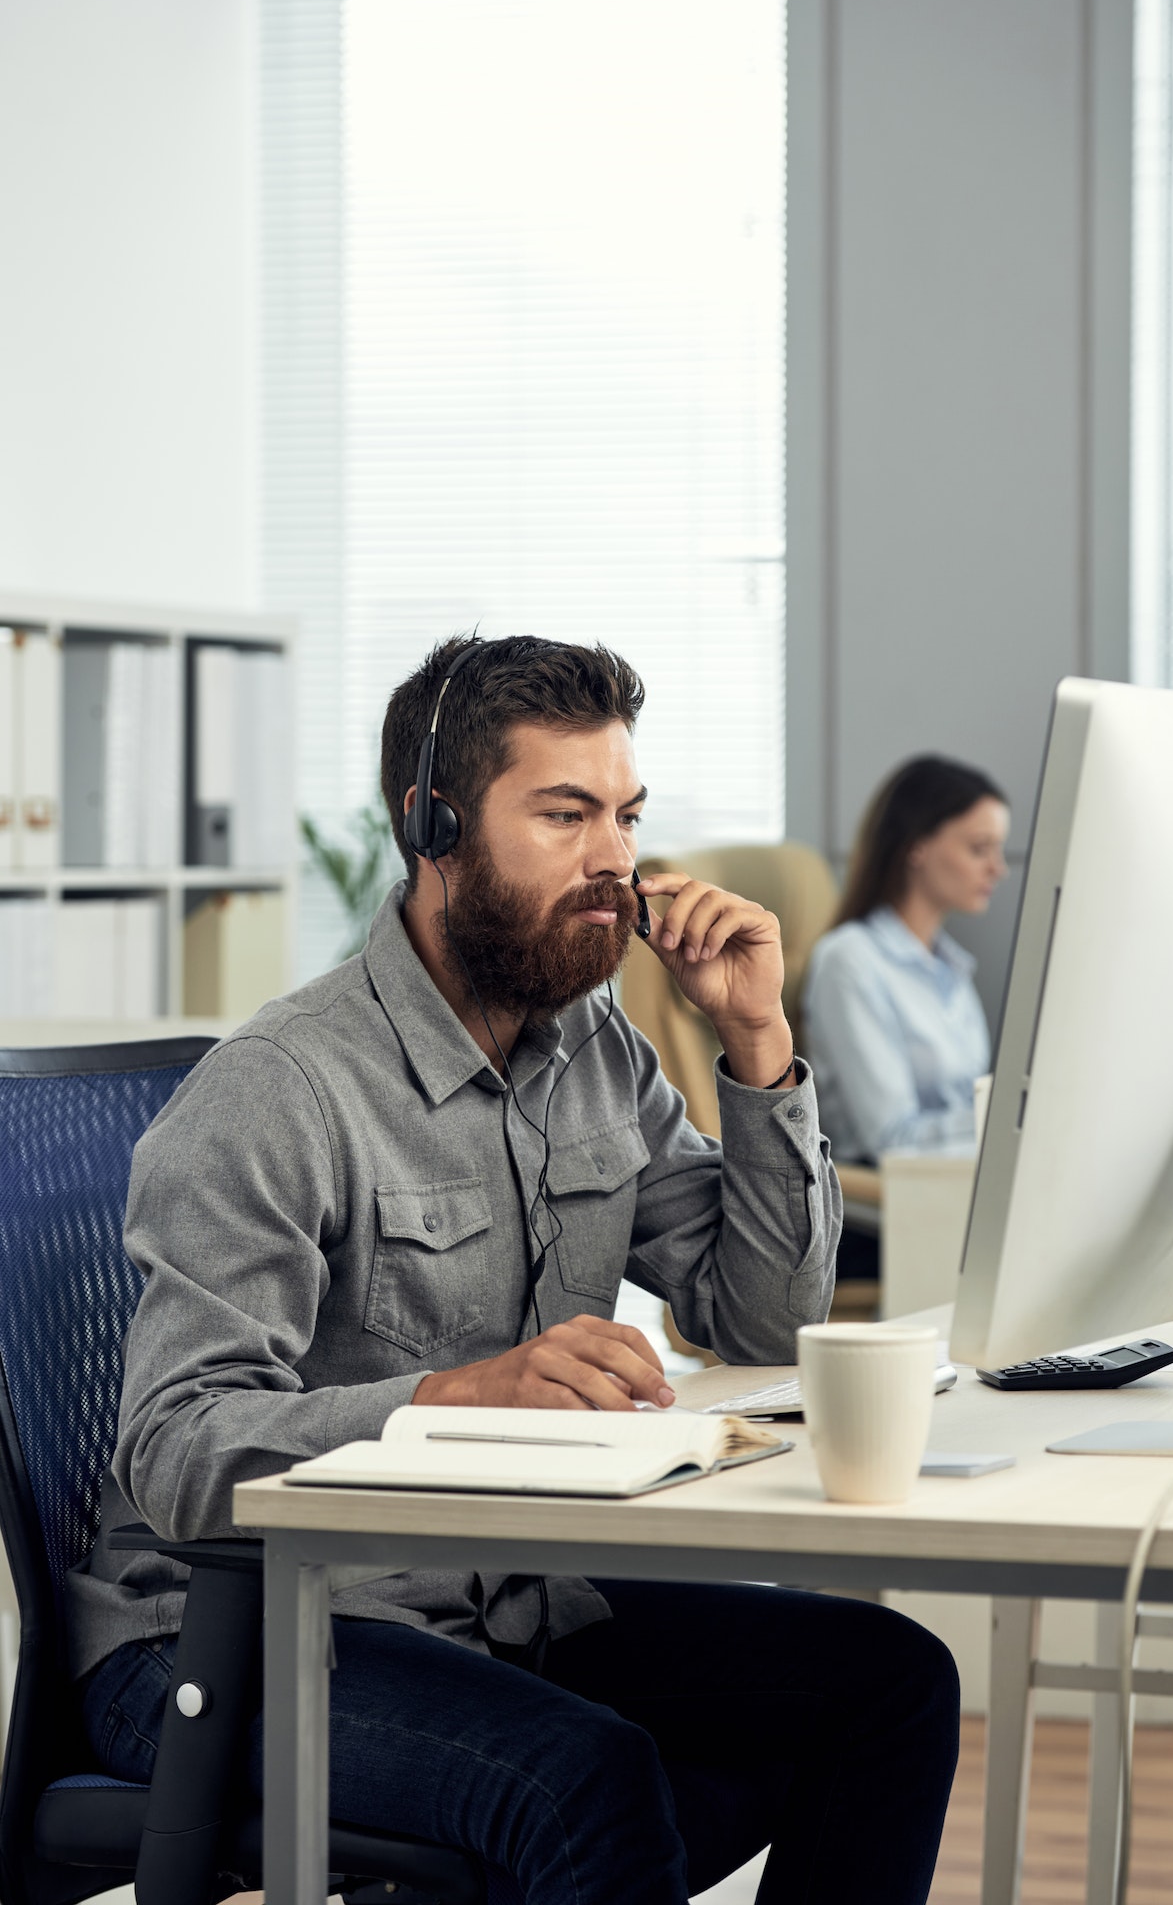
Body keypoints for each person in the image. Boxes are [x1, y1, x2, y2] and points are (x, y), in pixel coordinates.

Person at [67, 635, 959, 1905]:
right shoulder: (281, 1087)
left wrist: (756, 1042)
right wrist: (452, 1396)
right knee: (591, 1778)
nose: (617, 858)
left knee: (891, 1681)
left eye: (627, 814)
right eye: (565, 813)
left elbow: (763, 1316)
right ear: (435, 826)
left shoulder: (590, 1043)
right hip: (233, 1638)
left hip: (503, 1600)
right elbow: (178, 1449)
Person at [803, 755, 1009, 1163]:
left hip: (956, 1182)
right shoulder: (850, 961)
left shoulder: (951, 967)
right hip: (885, 1205)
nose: (998, 868)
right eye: (979, 849)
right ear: (917, 846)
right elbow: (891, 1138)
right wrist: (1004, 1119)